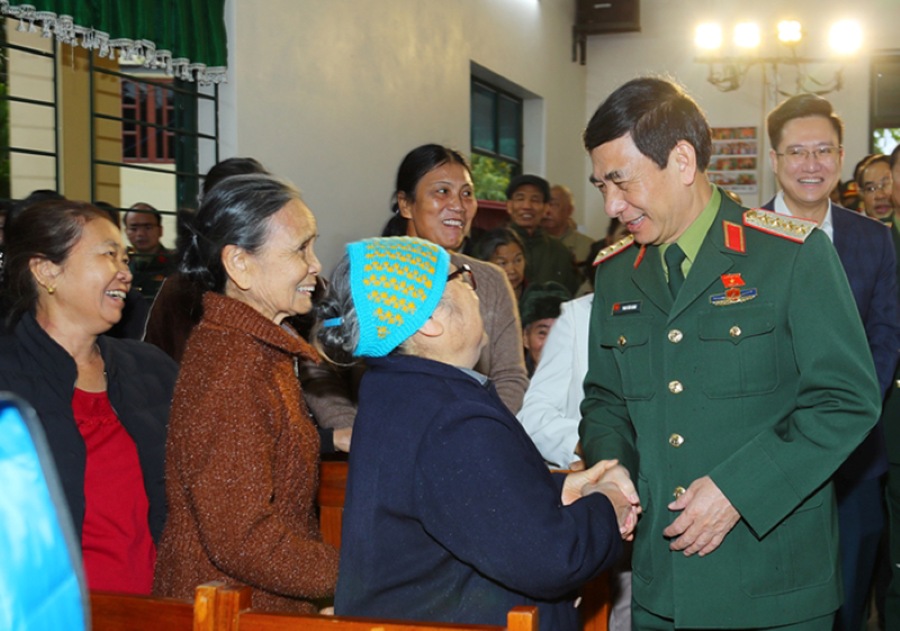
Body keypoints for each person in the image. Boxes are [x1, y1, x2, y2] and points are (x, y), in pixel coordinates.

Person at [579, 77, 881, 630]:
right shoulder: (617, 273)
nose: (611, 204)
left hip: (772, 583)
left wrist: (740, 490)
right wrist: (612, 464)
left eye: (621, 182)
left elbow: (845, 400)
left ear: (682, 160)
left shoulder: (789, 255)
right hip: (660, 586)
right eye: (601, 185)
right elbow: (605, 397)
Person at [318, 236, 633, 630]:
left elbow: (465, 504)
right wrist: (607, 502)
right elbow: (552, 558)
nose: (472, 287)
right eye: (459, 277)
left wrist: (561, 489)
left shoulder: (396, 389)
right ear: (429, 319)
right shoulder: (451, 417)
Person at [152, 174, 339, 612]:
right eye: (300, 249)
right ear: (239, 264)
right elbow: (242, 538)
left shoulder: (255, 348)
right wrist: (357, 571)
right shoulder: (233, 366)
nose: (315, 265)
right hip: (226, 612)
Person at [762, 94, 900, 631]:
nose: (811, 164)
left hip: (854, 458)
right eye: (797, 152)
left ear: (840, 156)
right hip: (766, 453)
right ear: (774, 159)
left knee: (845, 599)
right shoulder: (741, 235)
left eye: (823, 150)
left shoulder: (874, 239)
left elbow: (886, 334)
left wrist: (842, 417)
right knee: (775, 602)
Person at [0, 200, 178, 594]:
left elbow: (215, 446)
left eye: (126, 258)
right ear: (47, 270)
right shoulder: (7, 380)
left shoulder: (151, 368)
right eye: (108, 255)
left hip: (159, 608)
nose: (125, 272)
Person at [303, 144, 528, 428]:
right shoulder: (372, 274)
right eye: (442, 191)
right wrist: (350, 429)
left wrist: (481, 429)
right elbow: (318, 363)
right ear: (406, 204)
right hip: (385, 437)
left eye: (467, 193)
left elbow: (511, 375)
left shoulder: (490, 280)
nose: (458, 205)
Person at [505, 174, 581, 294]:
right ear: (509, 206)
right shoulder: (491, 246)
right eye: (520, 199)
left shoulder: (560, 252)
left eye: (535, 200)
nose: (527, 206)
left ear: (546, 208)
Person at [123, 202, 176, 299]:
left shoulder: (175, 262)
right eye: (134, 228)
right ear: (126, 231)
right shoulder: (121, 264)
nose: (140, 234)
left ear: (160, 230)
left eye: (148, 227)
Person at [518, 281, 570, 376]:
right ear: (525, 337)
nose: (551, 343)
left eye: (559, 332)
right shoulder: (515, 384)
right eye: (542, 333)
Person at [544, 184, 595, 266]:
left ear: (569, 210)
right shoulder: (531, 242)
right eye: (544, 204)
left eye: (554, 204)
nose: (547, 211)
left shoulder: (588, 247)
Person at [474, 227, 527, 301]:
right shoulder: (476, 299)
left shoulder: (536, 296)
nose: (512, 270)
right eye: (502, 263)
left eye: (518, 260)